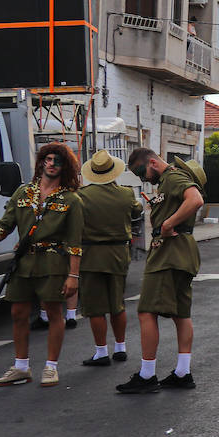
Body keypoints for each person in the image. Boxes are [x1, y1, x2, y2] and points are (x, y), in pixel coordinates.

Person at [0, 143, 83, 387]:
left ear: (65, 167)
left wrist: (73, 276)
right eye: (49, 159)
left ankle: (51, 367)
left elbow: (75, 242)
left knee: (53, 312)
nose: (52, 164)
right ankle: (21, 367)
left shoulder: (71, 199)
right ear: (42, 162)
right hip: (23, 263)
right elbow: (4, 227)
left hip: (53, 262)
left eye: (58, 161)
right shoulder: (23, 193)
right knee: (18, 313)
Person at [118, 149, 205, 394]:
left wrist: (168, 223)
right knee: (180, 313)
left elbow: (195, 199)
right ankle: (182, 372)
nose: (144, 179)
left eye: (141, 173)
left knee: (146, 312)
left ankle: (147, 376)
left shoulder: (173, 178)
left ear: (153, 162)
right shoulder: (168, 180)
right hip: (180, 251)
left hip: (169, 252)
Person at [77, 150, 143, 367]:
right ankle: (121, 347)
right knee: (117, 304)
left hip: (91, 254)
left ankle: (101, 352)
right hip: (118, 254)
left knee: (95, 307)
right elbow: (136, 213)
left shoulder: (82, 196)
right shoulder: (126, 193)